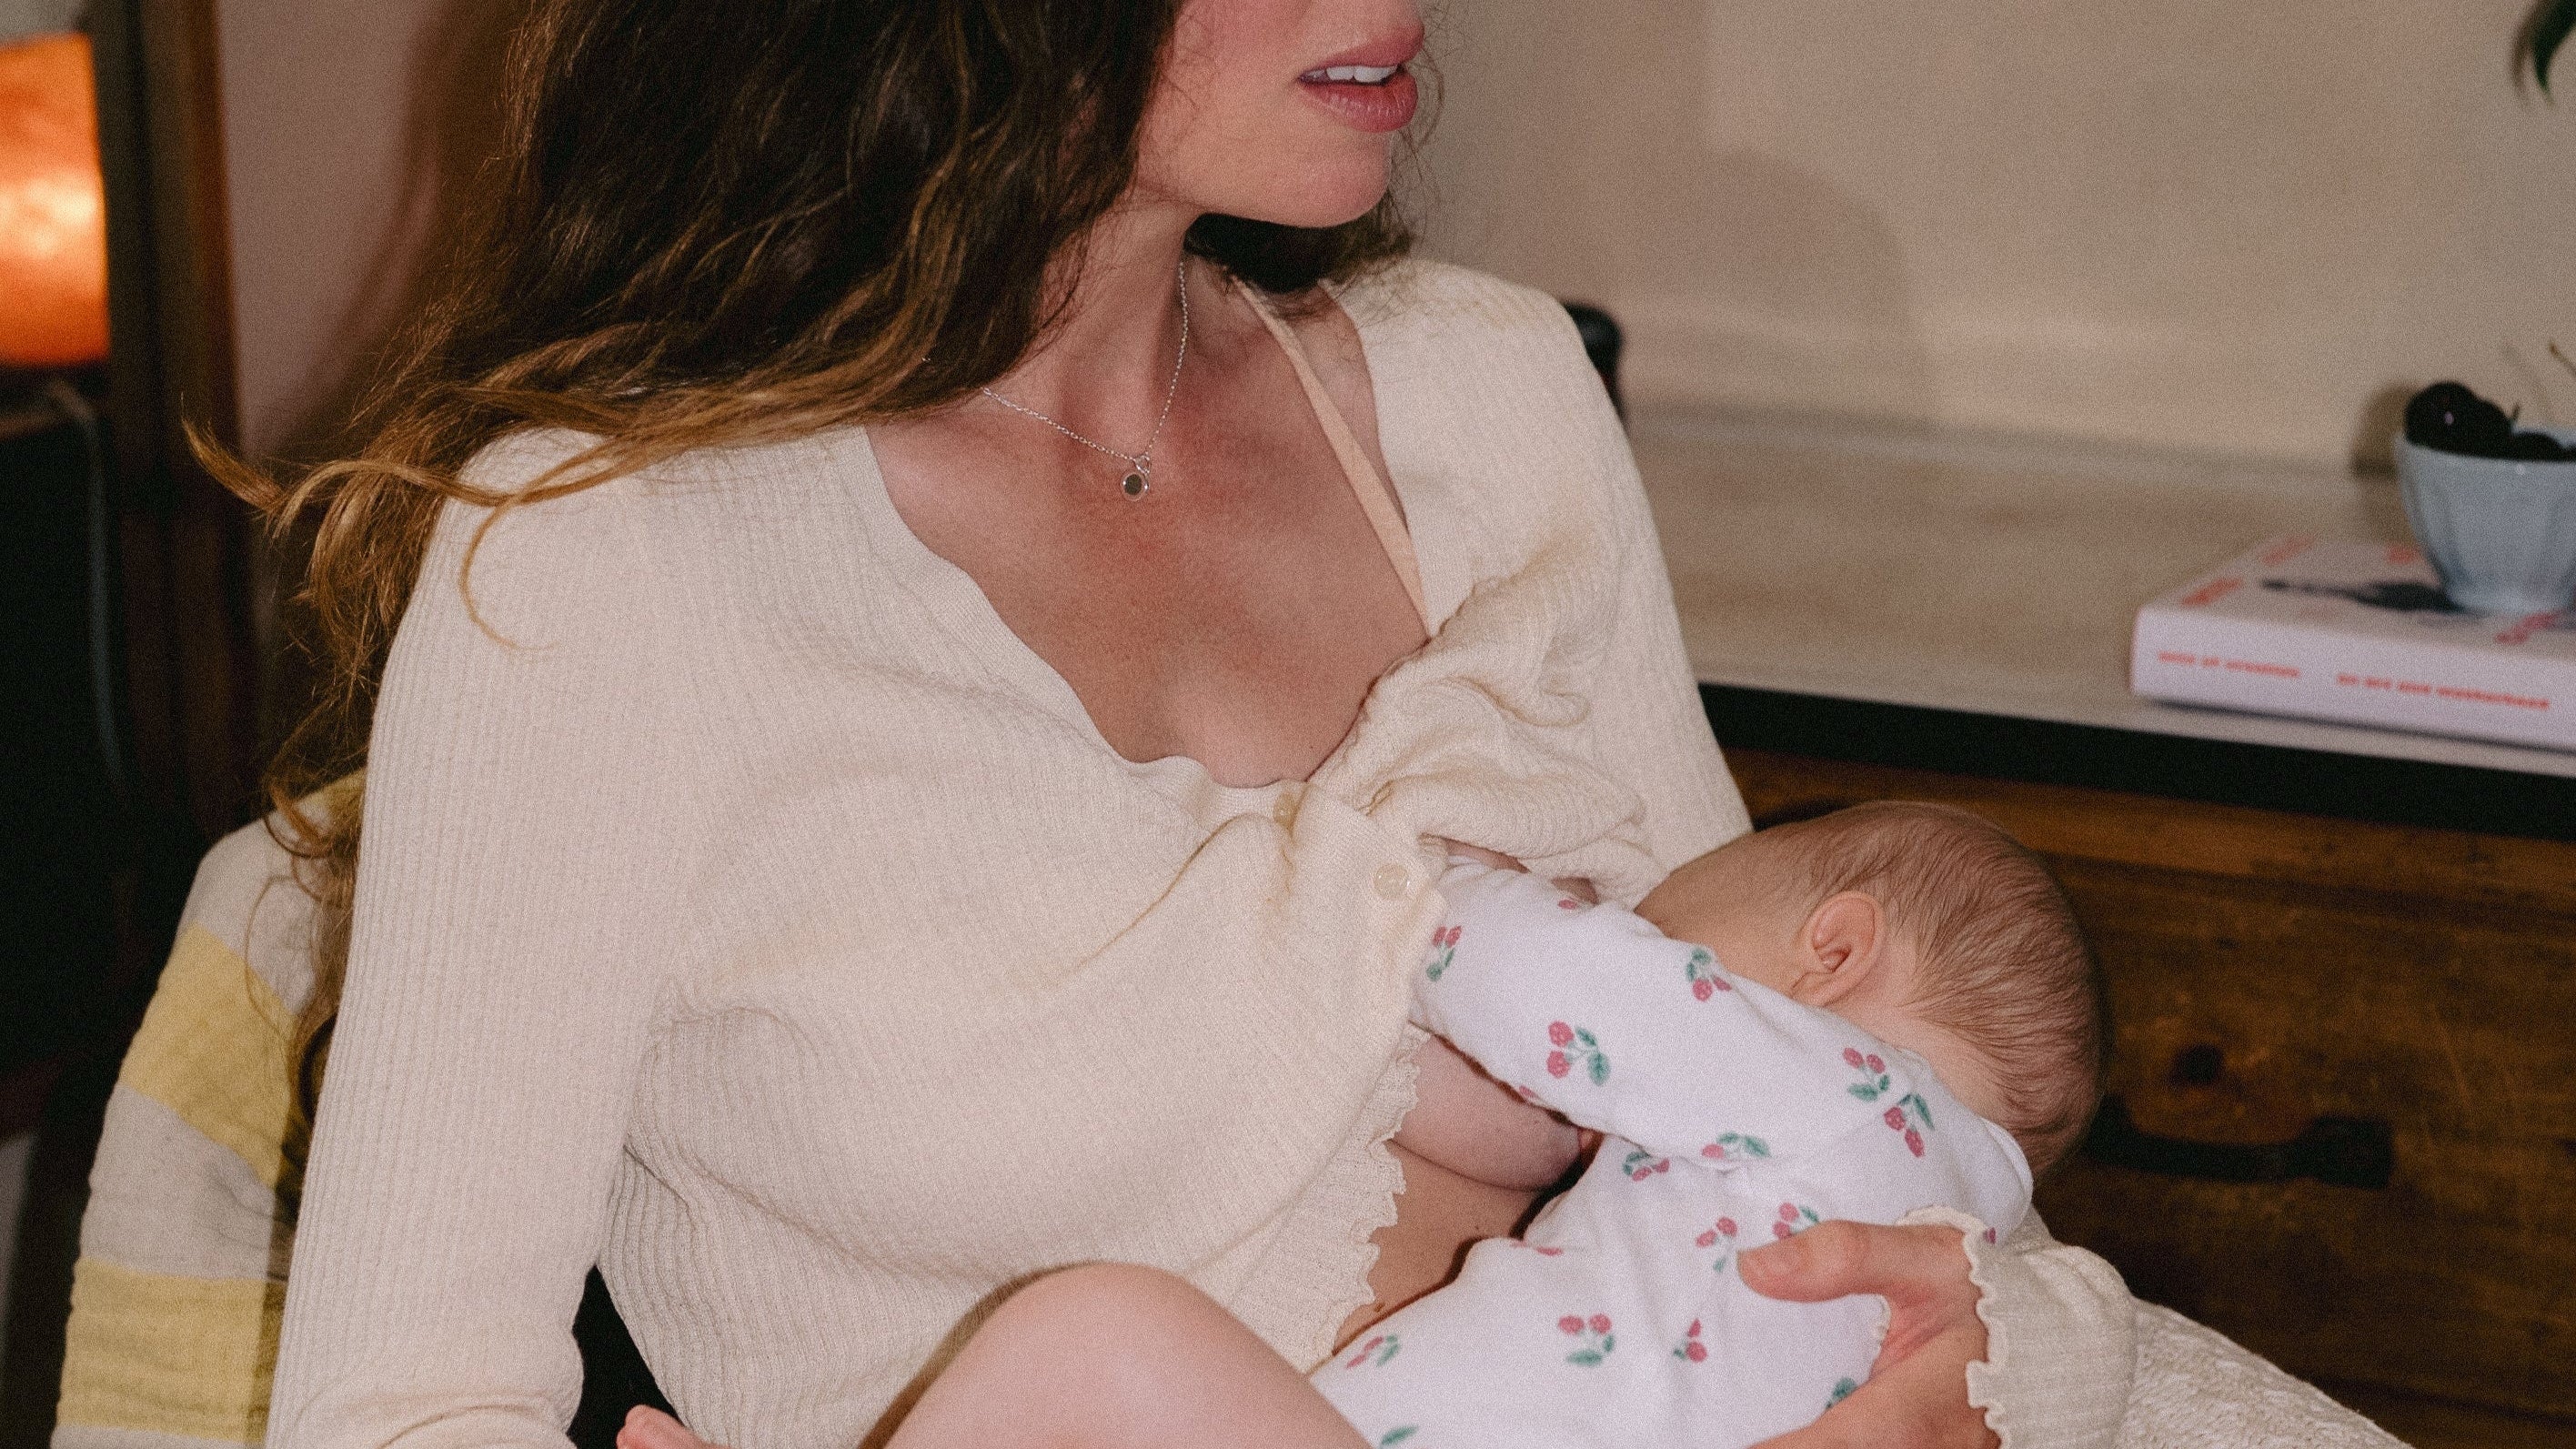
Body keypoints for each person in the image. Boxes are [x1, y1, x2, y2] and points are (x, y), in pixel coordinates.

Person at [174, 2, 2144, 1446]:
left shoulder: (1502, 400)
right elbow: (399, 1408)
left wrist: (1974, 1364)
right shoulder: (609, 565)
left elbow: (1884, 1138)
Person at [609, 803, 2099, 1449]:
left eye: (1680, 938)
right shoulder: (1979, 1254)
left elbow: (1550, 981)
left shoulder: (1832, 1095)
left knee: (1099, 1339)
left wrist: (1436, 883)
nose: (1649, 938)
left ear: (1828, 955)